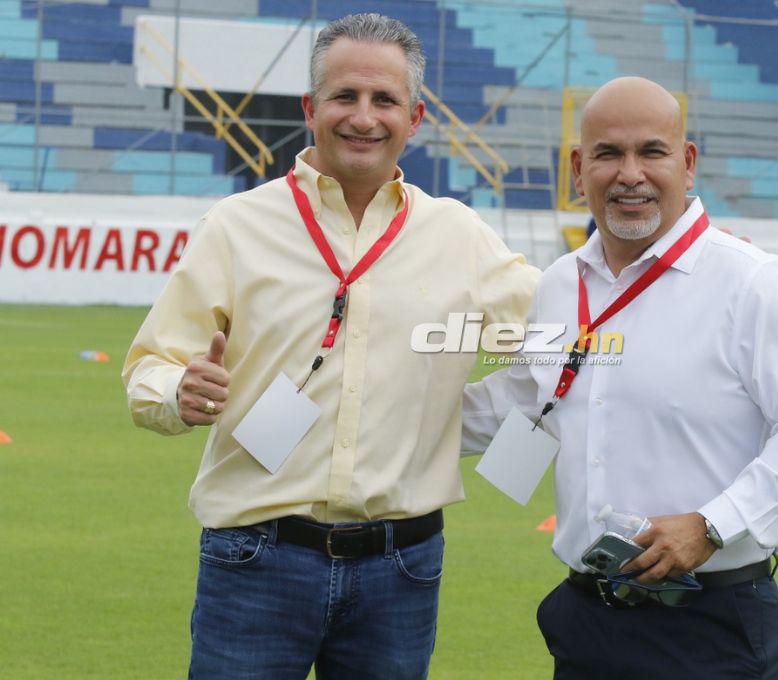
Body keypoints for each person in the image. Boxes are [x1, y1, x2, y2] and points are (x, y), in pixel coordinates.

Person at [122, 13, 537, 679]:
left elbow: (557, 336)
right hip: (254, 556)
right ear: (312, 109)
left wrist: (472, 420)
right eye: (345, 97)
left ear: (417, 116)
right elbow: (152, 365)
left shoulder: (459, 235)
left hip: (401, 567)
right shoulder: (236, 227)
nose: (364, 118)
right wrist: (179, 392)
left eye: (385, 100)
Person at [462, 77, 778, 679]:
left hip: (709, 626)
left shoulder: (753, 283)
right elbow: (528, 397)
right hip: (586, 621)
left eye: (651, 151)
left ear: (687, 162)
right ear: (578, 168)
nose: (630, 174)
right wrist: (368, 401)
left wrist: (712, 525)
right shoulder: (561, 283)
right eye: (608, 154)